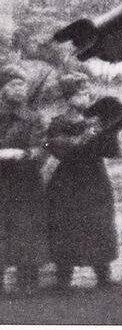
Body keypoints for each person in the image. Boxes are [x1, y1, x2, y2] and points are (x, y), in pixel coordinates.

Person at [45, 73, 121, 291]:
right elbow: (58, 149)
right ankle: (63, 278)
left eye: (87, 92)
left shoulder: (97, 121)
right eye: (79, 93)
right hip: (67, 181)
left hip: (95, 177)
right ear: (68, 97)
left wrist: (112, 128)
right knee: (66, 226)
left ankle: (103, 275)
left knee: (100, 223)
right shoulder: (58, 122)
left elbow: (112, 152)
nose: (85, 97)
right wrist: (88, 132)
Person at [0, 65, 48, 295]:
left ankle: (28, 280)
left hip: (26, 183)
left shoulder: (34, 117)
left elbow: (43, 148)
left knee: (27, 230)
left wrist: (26, 155)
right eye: (14, 84)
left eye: (23, 85)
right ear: (3, 88)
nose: (20, 89)